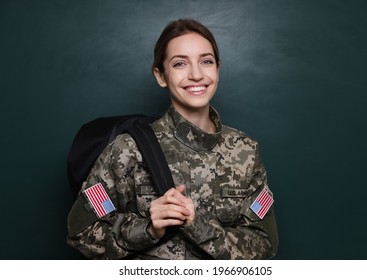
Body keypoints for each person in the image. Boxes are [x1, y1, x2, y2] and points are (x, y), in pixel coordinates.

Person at [67, 18, 278, 260]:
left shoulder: (246, 152)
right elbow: (81, 233)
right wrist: (147, 229)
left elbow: (264, 243)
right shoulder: (128, 149)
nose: (196, 74)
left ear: (217, 70)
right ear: (161, 76)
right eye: (180, 64)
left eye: (206, 61)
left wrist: (199, 226)